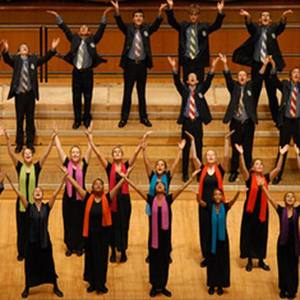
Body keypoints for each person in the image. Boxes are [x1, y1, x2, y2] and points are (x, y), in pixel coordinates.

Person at [120, 169, 200, 298]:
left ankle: (162, 286)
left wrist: (191, 179)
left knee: (164, 262)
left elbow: (181, 189)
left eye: (162, 185)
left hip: (165, 237)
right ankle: (154, 286)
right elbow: (138, 189)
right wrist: (126, 179)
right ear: (155, 188)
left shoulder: (169, 199)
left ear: (165, 188)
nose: (159, 186)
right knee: (154, 262)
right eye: (157, 185)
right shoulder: (150, 199)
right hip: (154, 238)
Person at [59, 165, 132, 294]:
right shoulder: (87, 197)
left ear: (103, 188)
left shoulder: (107, 198)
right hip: (90, 235)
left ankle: (101, 284)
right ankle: (92, 283)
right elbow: (76, 186)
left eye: (100, 184)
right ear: (92, 188)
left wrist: (125, 177)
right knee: (91, 259)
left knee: (102, 260)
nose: (98, 186)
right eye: (95, 184)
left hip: (103, 237)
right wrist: (67, 175)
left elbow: (118, 186)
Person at [47, 8, 112, 129]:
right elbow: (65, 29)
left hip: (88, 72)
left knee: (88, 96)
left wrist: (104, 15)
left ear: (88, 32)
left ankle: (86, 117)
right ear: (78, 31)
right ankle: (77, 119)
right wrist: (58, 16)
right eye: (81, 27)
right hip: (76, 72)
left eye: (85, 27)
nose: (83, 28)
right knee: (76, 96)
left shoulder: (93, 39)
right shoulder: (74, 39)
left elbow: (101, 30)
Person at [85, 129, 143, 262]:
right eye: (114, 152)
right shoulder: (109, 167)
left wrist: (141, 145)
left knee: (124, 226)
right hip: (112, 200)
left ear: (122, 155)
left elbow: (135, 154)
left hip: (124, 200)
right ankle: (112, 250)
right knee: (111, 226)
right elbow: (99, 155)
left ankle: (122, 251)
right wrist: (91, 141)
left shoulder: (127, 166)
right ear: (112, 155)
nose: (117, 153)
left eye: (119, 152)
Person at [5, 174, 65, 299]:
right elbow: (20, 194)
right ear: (32, 196)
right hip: (31, 243)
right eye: (35, 191)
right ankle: (27, 287)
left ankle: (55, 285)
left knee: (49, 264)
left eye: (40, 191)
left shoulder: (47, 207)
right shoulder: (29, 207)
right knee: (29, 265)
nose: (37, 192)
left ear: (42, 195)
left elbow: (55, 194)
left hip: (44, 242)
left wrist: (63, 180)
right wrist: (10, 181)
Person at [2, 128, 56, 261]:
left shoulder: (36, 167)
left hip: (33, 206)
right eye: (25, 153)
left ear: (32, 155)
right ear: (22, 156)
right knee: (22, 229)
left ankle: (33, 252)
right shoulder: (19, 166)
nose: (27, 155)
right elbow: (10, 153)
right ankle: (22, 252)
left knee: (34, 230)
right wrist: (8, 140)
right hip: (21, 204)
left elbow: (46, 154)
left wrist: (52, 140)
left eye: (29, 153)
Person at [110, 0, 167, 128]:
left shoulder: (146, 29)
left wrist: (159, 12)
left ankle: (144, 118)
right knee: (127, 92)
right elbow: (120, 24)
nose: (138, 18)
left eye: (140, 16)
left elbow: (155, 26)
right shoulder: (129, 29)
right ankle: (124, 118)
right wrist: (117, 11)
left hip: (142, 65)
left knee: (141, 93)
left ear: (143, 19)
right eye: (136, 16)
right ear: (133, 18)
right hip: (130, 65)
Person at [232, 9, 293, 125]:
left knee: (272, 94)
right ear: (260, 20)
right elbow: (250, 26)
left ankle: (277, 120)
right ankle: (252, 119)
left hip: (270, 67)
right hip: (257, 66)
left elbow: (281, 27)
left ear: (270, 20)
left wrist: (283, 17)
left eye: (267, 16)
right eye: (263, 16)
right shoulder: (256, 30)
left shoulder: (273, 30)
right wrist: (248, 16)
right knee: (254, 92)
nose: (265, 17)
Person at [235, 143, 289, 271]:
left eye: (261, 164)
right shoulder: (249, 178)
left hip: (263, 210)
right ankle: (249, 260)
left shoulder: (266, 178)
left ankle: (260, 260)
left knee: (261, 234)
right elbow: (242, 168)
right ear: (253, 167)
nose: (259, 165)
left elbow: (277, 169)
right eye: (257, 164)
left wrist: (281, 155)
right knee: (249, 233)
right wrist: (241, 154)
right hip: (250, 210)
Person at [0, 38, 60, 153]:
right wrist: (6, 50)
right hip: (19, 95)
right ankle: (19, 144)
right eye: (22, 47)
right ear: (19, 52)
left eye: (26, 47)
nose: (25, 47)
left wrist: (52, 49)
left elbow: (44, 59)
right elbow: (7, 60)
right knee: (19, 120)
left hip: (30, 95)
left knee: (30, 120)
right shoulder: (16, 60)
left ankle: (30, 144)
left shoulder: (33, 60)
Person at [219, 53, 270, 182]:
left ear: (247, 78)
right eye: (239, 75)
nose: (242, 77)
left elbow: (259, 77)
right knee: (235, 149)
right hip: (235, 122)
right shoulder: (234, 87)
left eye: (244, 75)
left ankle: (247, 171)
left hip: (248, 122)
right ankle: (234, 171)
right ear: (238, 78)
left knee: (247, 148)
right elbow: (227, 77)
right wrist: (225, 63)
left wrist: (264, 64)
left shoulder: (251, 87)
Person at [167, 56, 219, 181]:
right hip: (186, 123)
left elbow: (208, 80)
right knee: (185, 148)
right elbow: (177, 82)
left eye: (194, 77)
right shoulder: (184, 91)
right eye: (190, 77)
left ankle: (199, 171)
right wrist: (174, 67)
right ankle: (185, 173)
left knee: (199, 147)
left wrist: (213, 66)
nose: (192, 77)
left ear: (196, 81)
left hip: (197, 123)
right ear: (188, 81)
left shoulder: (201, 90)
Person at [186, 130, 232, 267]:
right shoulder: (202, 169)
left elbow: (226, 156)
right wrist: (193, 141)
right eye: (208, 155)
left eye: (212, 154)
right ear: (206, 158)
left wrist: (226, 141)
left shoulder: (220, 169)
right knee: (205, 229)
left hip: (217, 204)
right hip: (204, 204)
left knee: (217, 228)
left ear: (215, 158)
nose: (210, 156)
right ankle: (207, 255)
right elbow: (194, 157)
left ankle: (217, 253)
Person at [141, 131, 186, 262]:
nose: (159, 166)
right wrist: (144, 151)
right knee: (152, 229)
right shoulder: (152, 176)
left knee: (167, 230)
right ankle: (151, 252)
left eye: (162, 165)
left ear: (165, 168)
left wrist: (180, 151)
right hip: (153, 207)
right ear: (155, 168)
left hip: (165, 207)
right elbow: (146, 163)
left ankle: (167, 252)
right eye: (158, 165)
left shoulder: (167, 176)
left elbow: (176, 164)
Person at [165, 0, 225, 82]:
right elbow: (172, 22)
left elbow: (216, 25)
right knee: (186, 85)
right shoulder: (183, 26)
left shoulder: (204, 27)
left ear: (198, 15)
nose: (193, 16)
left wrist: (220, 12)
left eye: (195, 14)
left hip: (199, 61)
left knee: (199, 85)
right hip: (187, 61)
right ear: (189, 15)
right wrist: (171, 8)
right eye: (191, 14)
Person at [54, 127, 92, 257]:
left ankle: (80, 246)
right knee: (69, 221)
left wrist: (89, 135)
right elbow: (59, 149)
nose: (75, 154)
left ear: (80, 155)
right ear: (70, 155)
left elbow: (90, 148)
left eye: (77, 152)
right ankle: (70, 246)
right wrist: (55, 135)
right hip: (68, 198)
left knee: (81, 221)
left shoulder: (84, 164)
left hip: (81, 199)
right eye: (73, 152)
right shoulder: (66, 163)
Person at [260, 185, 299, 300]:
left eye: (292, 197)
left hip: (294, 245)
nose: (290, 198)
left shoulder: (298, 211)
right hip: (282, 244)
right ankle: (283, 289)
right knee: (283, 267)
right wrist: (264, 189)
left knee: (293, 267)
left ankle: (292, 290)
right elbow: (271, 199)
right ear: (284, 200)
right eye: (288, 197)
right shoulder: (281, 210)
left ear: (295, 200)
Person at [199, 188, 240, 296]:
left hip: (222, 240)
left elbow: (232, 202)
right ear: (213, 197)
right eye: (215, 194)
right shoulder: (209, 207)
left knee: (222, 262)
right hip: (211, 239)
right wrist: (197, 193)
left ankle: (220, 285)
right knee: (212, 262)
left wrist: (238, 193)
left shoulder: (225, 207)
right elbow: (200, 202)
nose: (217, 196)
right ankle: (212, 285)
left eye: (219, 194)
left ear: (222, 197)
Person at [268, 59, 300, 184]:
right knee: (283, 148)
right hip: (286, 121)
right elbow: (274, 80)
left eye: (298, 73)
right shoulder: (286, 85)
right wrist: (274, 66)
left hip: (298, 122)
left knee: (299, 148)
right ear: (290, 75)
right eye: (294, 73)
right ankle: (277, 174)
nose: (297, 74)